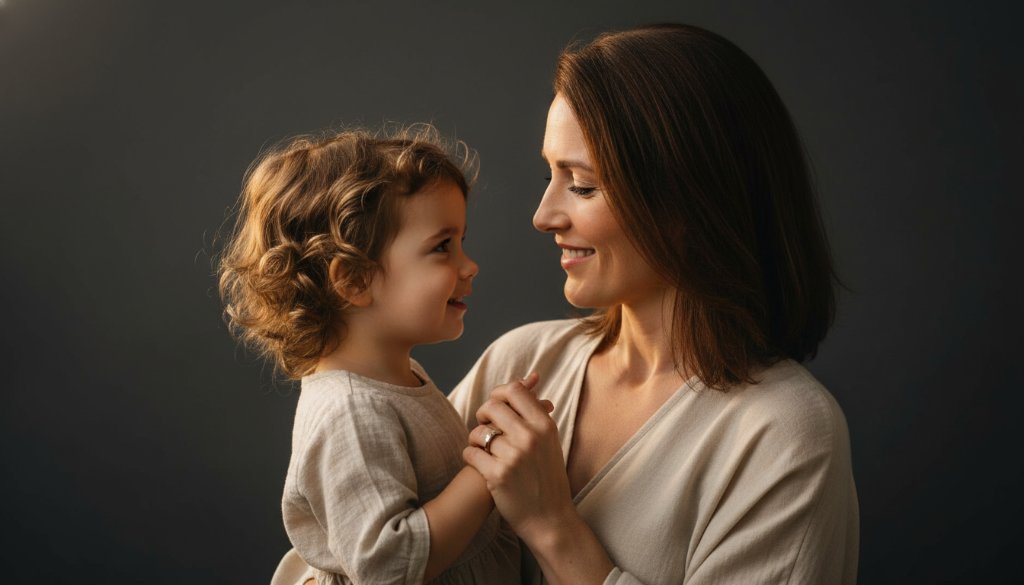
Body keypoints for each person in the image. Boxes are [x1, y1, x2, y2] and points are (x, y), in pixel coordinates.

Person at [452, 24, 859, 584]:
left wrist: (552, 526)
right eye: (551, 174)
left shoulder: (783, 432)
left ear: (689, 199)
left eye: (582, 185)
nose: (543, 216)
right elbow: (357, 545)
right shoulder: (520, 362)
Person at [217, 127, 523, 585]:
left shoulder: (396, 379)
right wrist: (485, 469)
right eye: (443, 246)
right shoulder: (350, 412)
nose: (469, 265)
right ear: (355, 281)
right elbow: (389, 565)